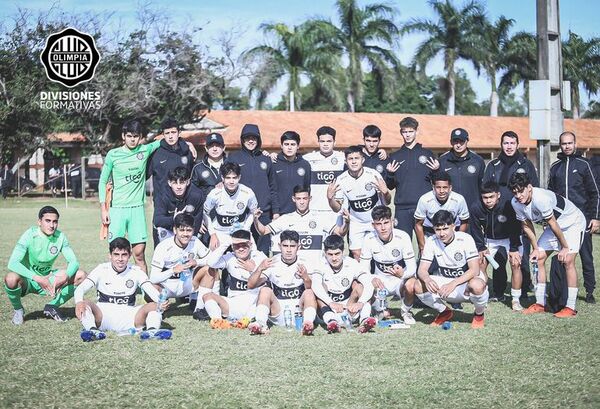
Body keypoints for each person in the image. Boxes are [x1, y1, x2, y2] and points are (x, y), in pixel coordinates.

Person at [509, 173, 587, 318]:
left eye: (521, 191)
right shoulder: (515, 203)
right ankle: (540, 304)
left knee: (568, 260)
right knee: (538, 258)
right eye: (515, 192)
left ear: (529, 187)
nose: (518, 195)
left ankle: (570, 307)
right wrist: (535, 248)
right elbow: (526, 226)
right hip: (554, 227)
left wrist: (564, 247)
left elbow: (553, 223)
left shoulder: (541, 199)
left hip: (572, 223)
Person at [74, 237, 172, 342]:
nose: (120, 259)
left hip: (130, 317)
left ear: (129, 255)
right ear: (110, 255)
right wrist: (79, 302)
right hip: (103, 316)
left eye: (124, 255)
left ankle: (152, 331)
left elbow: (150, 290)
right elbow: (80, 289)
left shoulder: (136, 271)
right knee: (85, 303)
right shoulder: (101, 269)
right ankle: (93, 331)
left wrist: (161, 302)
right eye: (116, 254)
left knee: (154, 306)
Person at [4, 206, 85, 324]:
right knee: (11, 278)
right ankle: (18, 310)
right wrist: (37, 278)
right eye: (47, 221)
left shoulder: (60, 237)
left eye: (55, 221)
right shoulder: (29, 235)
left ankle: (52, 306)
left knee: (81, 275)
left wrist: (66, 276)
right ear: (39, 222)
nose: (51, 225)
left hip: (48, 278)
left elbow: (74, 262)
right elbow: (13, 263)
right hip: (29, 280)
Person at [98, 120, 161, 272]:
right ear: (123, 136)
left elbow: (164, 140)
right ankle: (114, 289)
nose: (132, 139)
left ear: (141, 137)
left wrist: (189, 145)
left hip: (137, 209)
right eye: (129, 136)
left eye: (136, 136)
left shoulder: (145, 150)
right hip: (117, 209)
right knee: (116, 253)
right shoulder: (113, 155)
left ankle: (146, 293)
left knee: (139, 254)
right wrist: (104, 209)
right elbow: (102, 182)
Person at [483, 130, 538, 296]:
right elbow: (486, 188)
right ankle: (498, 292)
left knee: (522, 255)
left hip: (520, 215)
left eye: (512, 143)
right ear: (501, 145)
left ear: (517, 144)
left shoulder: (525, 164)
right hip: (499, 217)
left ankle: (523, 288)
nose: (509, 146)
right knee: (499, 257)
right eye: (506, 143)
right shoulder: (493, 165)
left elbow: (533, 188)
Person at [548, 131, 600, 304]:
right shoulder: (555, 167)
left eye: (570, 143)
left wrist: (595, 217)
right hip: (562, 221)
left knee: (586, 255)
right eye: (564, 143)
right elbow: (551, 196)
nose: (567, 146)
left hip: (583, 220)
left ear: (575, 144)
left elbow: (595, 193)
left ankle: (590, 290)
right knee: (562, 255)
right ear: (560, 145)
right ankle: (563, 289)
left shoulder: (585, 165)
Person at [413, 210, 489, 328]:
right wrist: (427, 280)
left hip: (465, 282)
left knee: (477, 285)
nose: (442, 233)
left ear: (453, 227)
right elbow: (421, 270)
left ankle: (479, 315)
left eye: (445, 228)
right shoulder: (431, 241)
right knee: (418, 285)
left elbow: (474, 270)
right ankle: (444, 312)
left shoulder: (465, 239)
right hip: (446, 282)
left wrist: (453, 283)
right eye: (438, 229)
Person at [246, 230, 318, 335]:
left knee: (309, 292)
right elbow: (250, 285)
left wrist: (305, 277)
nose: (288, 250)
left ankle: (307, 324)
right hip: (278, 311)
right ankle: (261, 323)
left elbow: (312, 289)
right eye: (285, 246)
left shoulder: (306, 262)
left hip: (299, 312)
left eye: (292, 246)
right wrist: (260, 268)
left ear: (299, 247)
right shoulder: (272, 262)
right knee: (265, 290)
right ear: (279, 246)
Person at [327, 145, 391, 259]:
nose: (354, 162)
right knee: (357, 253)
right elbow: (337, 208)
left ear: (363, 160)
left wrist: (385, 192)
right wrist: (330, 199)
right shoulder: (341, 180)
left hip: (375, 220)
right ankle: (363, 276)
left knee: (381, 251)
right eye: (350, 159)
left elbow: (387, 202)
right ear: (346, 161)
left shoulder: (373, 175)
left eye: (357, 158)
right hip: (356, 222)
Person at [470, 181, 524, 310]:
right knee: (480, 263)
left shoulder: (508, 205)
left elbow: (516, 227)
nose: (488, 201)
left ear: (498, 195)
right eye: (485, 197)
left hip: (510, 238)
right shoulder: (476, 207)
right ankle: (482, 296)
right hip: (490, 239)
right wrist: (481, 247)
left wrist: (514, 248)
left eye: (491, 197)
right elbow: (475, 229)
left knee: (515, 263)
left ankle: (515, 300)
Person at [253, 185, 349, 257]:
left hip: (315, 269)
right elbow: (263, 231)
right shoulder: (286, 218)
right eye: (298, 199)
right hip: (294, 269)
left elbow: (340, 233)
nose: (302, 202)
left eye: (305, 198)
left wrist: (347, 223)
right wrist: (256, 219)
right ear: (293, 199)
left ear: (310, 199)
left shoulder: (320, 217)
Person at [359, 206, 417, 324]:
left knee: (411, 284)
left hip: (399, 281)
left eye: (386, 222)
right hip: (381, 282)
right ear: (373, 225)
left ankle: (406, 312)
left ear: (392, 221)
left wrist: (403, 274)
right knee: (365, 283)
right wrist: (372, 278)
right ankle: (380, 310)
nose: (383, 228)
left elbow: (412, 268)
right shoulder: (368, 239)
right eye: (379, 224)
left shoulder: (403, 237)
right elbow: (363, 268)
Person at [228, 124, 280, 254]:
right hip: (240, 214)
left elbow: (273, 187)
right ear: (242, 139)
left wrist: (276, 211)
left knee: (261, 252)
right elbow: (227, 182)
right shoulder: (234, 158)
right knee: (239, 251)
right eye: (247, 138)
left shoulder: (266, 159)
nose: (251, 141)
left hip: (263, 213)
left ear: (258, 140)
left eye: (254, 138)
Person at [310, 234, 376, 334]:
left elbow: (368, 283)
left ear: (343, 252)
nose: (334, 258)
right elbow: (315, 285)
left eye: (337, 254)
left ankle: (365, 319)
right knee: (319, 288)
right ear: (325, 253)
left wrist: (360, 302)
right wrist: (331, 303)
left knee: (359, 286)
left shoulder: (352, 263)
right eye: (330, 254)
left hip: (349, 308)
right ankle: (332, 322)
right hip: (328, 308)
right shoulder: (319, 264)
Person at [385, 116, 437, 238]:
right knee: (402, 243)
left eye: (410, 131)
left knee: (427, 244)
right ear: (401, 133)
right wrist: (390, 174)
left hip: (424, 206)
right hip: (402, 208)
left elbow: (436, 181)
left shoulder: (427, 154)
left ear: (416, 132)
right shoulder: (395, 156)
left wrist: (436, 171)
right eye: (405, 132)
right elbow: (390, 186)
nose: (407, 135)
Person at [149, 213, 212, 315]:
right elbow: (153, 278)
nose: (185, 234)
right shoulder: (163, 247)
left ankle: (199, 308)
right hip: (167, 288)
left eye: (189, 230)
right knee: (151, 288)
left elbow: (212, 259)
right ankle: (162, 306)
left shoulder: (195, 241)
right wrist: (172, 270)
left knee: (210, 269)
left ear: (193, 230)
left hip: (188, 285)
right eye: (182, 230)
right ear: (175, 230)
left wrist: (197, 262)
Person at [202, 229, 268, 321]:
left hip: (254, 303)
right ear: (232, 247)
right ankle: (218, 322)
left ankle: (254, 319)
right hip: (233, 303)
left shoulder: (260, 257)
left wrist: (254, 269)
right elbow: (211, 263)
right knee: (207, 296)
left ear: (250, 245)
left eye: (244, 245)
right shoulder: (230, 257)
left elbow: (268, 280)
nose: (241, 249)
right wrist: (227, 242)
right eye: (237, 246)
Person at [202, 162, 258, 251]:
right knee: (212, 261)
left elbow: (253, 212)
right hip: (220, 232)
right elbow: (205, 213)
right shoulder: (214, 193)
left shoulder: (248, 192)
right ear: (222, 178)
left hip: (241, 231)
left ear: (239, 177)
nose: (231, 181)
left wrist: (246, 229)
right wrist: (212, 234)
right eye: (228, 178)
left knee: (253, 255)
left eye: (234, 178)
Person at [414, 170, 470, 254]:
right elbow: (418, 224)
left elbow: (464, 222)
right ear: (433, 188)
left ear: (450, 188)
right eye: (438, 187)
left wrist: (457, 241)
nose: (441, 191)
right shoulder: (424, 199)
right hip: (430, 234)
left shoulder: (459, 199)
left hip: (451, 234)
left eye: (445, 187)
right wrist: (422, 247)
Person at [434, 128, 485, 209]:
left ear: (467, 141)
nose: (458, 145)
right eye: (455, 141)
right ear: (451, 142)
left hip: (472, 208)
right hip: (448, 208)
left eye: (461, 141)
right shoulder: (442, 161)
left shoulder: (478, 161)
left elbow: (482, 186)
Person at [147, 117, 195, 203]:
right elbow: (142, 176)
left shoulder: (188, 152)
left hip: (183, 202)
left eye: (173, 132)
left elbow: (193, 177)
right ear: (163, 134)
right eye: (167, 133)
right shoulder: (155, 153)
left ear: (179, 133)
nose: (170, 136)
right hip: (161, 202)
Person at [152, 166, 204, 246]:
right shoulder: (162, 195)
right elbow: (157, 220)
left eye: (182, 182)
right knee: (159, 230)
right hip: (168, 229)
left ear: (188, 182)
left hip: (187, 231)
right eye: (175, 183)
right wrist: (174, 219)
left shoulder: (197, 195)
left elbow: (197, 221)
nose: (179, 187)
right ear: (169, 183)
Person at [303, 126, 346, 215]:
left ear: (334, 142)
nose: (325, 144)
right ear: (318, 142)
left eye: (329, 141)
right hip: (314, 209)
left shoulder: (343, 158)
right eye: (322, 141)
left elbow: (361, 154)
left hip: (336, 210)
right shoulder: (308, 158)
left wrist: (382, 151)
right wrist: (273, 155)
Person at [271, 131, 311, 214]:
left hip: (299, 213)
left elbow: (307, 188)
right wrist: (275, 212)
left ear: (298, 146)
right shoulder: (273, 163)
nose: (289, 147)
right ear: (281, 146)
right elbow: (272, 190)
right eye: (286, 144)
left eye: (293, 144)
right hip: (278, 213)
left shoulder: (305, 165)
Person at [191, 132, 227, 198]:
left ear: (224, 147)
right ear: (206, 149)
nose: (215, 149)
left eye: (218, 145)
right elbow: (192, 191)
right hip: (206, 206)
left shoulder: (232, 165)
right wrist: (211, 190)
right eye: (211, 146)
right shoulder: (198, 168)